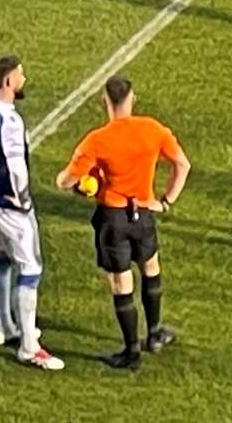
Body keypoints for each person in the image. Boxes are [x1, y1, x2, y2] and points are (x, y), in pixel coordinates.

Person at [55, 75, 190, 370]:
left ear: (105, 101)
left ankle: (131, 352)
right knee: (151, 267)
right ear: (132, 99)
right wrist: (166, 200)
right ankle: (154, 334)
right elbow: (182, 164)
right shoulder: (152, 129)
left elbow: (65, 180)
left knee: (121, 282)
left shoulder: (97, 140)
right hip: (143, 212)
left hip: (113, 218)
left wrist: (84, 185)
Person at [0, 56, 64, 371]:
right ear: (9, 81)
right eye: (20, 74)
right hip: (10, 205)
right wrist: (22, 200)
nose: (24, 79)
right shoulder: (10, 121)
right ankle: (28, 346)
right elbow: (15, 167)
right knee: (30, 270)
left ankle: (4, 325)